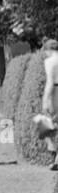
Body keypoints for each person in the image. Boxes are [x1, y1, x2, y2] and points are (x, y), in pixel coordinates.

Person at [34, 38, 58, 170]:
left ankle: (55, 156)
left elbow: (50, 82)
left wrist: (45, 100)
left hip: (56, 92)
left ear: (48, 50)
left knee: (49, 125)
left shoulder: (49, 61)